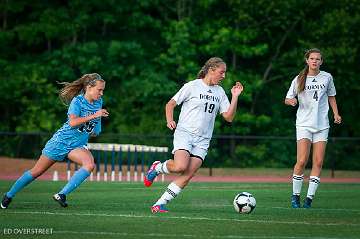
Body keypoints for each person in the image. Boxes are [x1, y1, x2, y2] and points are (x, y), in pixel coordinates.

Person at [143, 57, 243, 213]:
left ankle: (159, 204)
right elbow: (170, 104)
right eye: (221, 72)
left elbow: (229, 117)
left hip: (203, 140)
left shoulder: (220, 92)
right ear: (211, 70)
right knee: (180, 167)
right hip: (185, 133)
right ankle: (157, 168)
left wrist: (235, 96)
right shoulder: (192, 86)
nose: (224, 76)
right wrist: (170, 120)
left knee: (188, 174)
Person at [1, 73, 109, 209]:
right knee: (36, 172)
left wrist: (96, 128)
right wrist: (95, 115)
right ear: (89, 87)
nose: (102, 93)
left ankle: (62, 194)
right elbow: (73, 123)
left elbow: (95, 123)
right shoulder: (77, 101)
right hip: (60, 142)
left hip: (77, 145)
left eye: (103, 90)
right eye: (99, 90)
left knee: (89, 165)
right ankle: (9, 195)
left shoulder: (98, 102)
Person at [285, 48, 341, 208]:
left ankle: (309, 199)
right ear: (307, 61)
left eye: (318, 59)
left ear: (321, 62)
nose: (315, 61)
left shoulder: (327, 77)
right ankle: (295, 196)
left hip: (322, 124)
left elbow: (331, 96)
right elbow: (287, 98)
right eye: (312, 58)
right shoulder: (299, 79)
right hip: (303, 124)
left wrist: (336, 114)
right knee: (302, 161)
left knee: (318, 161)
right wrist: (292, 102)